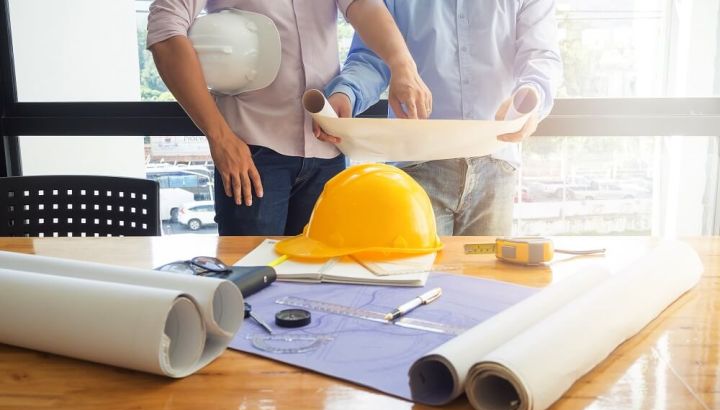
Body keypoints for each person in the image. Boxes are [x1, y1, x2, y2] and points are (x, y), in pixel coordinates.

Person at [147, 0, 431, 235]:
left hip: (326, 151)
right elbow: (165, 29)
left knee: (319, 285)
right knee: (252, 285)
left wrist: (402, 65)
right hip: (252, 156)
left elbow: (362, 5)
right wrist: (219, 136)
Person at [320, 0, 562, 235]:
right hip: (417, 163)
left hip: (496, 164)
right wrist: (347, 92)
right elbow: (372, 57)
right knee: (418, 272)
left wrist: (533, 96)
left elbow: (540, 55)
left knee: (487, 275)